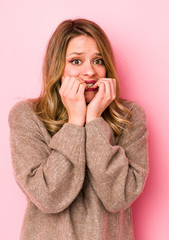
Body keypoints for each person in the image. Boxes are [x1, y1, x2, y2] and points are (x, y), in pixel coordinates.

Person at [8, 18, 149, 240]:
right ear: (57, 67)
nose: (90, 72)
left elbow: (118, 196)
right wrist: (75, 122)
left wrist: (94, 121)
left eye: (98, 60)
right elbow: (47, 196)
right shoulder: (27, 116)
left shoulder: (129, 117)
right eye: (76, 61)